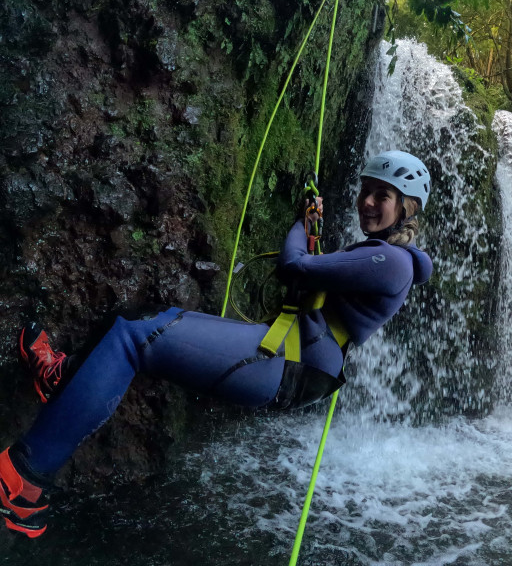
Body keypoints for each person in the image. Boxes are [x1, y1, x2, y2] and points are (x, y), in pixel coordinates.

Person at [0, 151, 433, 539]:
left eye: (382, 195)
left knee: (133, 336)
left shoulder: (391, 261)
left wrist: (301, 224)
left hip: (283, 364)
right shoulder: (385, 255)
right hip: (287, 358)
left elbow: (295, 266)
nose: (367, 202)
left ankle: (24, 480)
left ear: (407, 207)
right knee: (144, 318)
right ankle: (62, 377)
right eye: (365, 190)